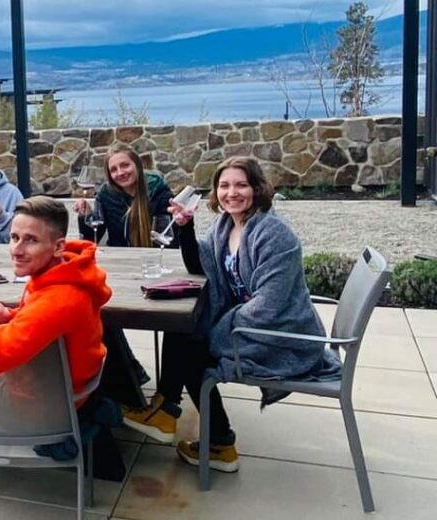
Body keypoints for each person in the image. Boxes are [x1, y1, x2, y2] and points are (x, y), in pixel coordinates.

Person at [121, 156, 341, 473]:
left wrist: (217, 330)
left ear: (257, 188)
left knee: (193, 349)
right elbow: (203, 266)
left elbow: (270, 306)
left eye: (241, 185)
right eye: (224, 186)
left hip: (281, 337)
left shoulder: (274, 235)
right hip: (249, 326)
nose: (231, 193)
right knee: (184, 328)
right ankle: (169, 411)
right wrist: (186, 227)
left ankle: (215, 440)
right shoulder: (228, 225)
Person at [0, 196, 112, 407]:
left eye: (31, 240)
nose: (16, 249)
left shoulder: (59, 300)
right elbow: (45, 325)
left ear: (59, 246)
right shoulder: (63, 274)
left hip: (44, 405)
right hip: (54, 383)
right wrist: (11, 316)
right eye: (14, 237)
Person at [74, 148, 174, 404]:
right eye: (114, 169)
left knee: (174, 322)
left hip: (157, 269)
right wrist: (84, 216)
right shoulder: (107, 195)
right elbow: (94, 234)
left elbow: (171, 239)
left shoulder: (160, 193)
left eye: (125, 166)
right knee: (99, 312)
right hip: (122, 269)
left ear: (137, 165)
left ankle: (163, 395)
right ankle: (128, 374)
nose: (121, 173)